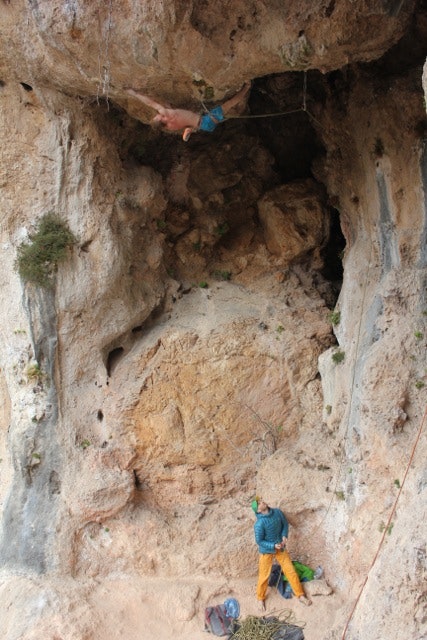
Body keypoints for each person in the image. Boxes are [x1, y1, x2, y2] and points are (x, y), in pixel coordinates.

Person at [126, 83, 250, 141]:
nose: (156, 115)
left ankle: (186, 136)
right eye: (156, 117)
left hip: (205, 126)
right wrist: (134, 93)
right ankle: (246, 88)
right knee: (228, 104)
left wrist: (188, 129)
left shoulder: (170, 127)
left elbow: (184, 122)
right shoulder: (165, 112)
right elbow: (150, 102)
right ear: (161, 119)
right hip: (206, 120)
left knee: (190, 127)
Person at [252, 497, 312, 610]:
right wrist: (272, 546)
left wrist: (284, 536)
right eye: (259, 503)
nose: (262, 502)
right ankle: (260, 598)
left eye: (261, 500)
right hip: (266, 551)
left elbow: (285, 524)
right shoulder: (259, 524)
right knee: (264, 575)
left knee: (290, 571)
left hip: (281, 547)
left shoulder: (277, 512)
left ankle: (300, 595)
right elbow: (259, 541)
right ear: (258, 510)